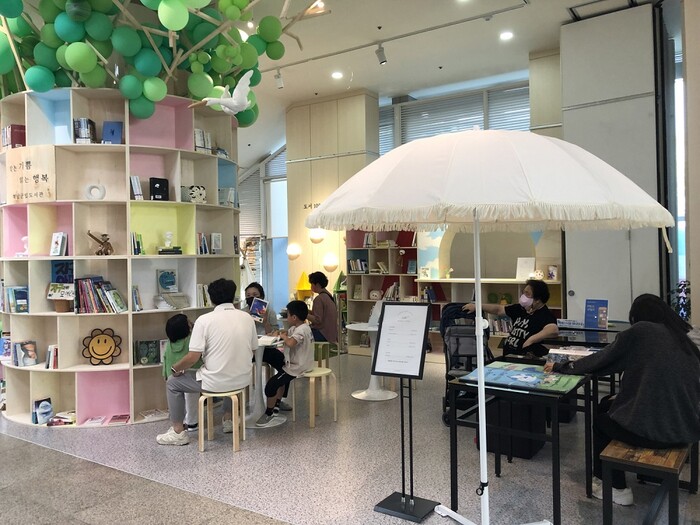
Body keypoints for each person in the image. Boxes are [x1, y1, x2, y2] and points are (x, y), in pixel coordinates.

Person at [545, 294, 700, 506]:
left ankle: (615, 487)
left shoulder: (641, 331)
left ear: (636, 317)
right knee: (606, 404)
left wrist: (562, 366)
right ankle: (619, 475)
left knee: (601, 423)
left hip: (662, 431)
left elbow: (601, 360)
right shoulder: (680, 336)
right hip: (686, 426)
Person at [156, 278, 259, 446]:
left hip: (215, 383)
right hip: (242, 380)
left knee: (173, 383)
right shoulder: (247, 318)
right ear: (233, 296)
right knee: (227, 373)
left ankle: (178, 432)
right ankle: (228, 419)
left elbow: (192, 357)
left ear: (211, 298)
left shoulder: (204, 320)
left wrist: (175, 368)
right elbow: (253, 349)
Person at [462, 279, 558, 357]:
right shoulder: (520, 308)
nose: (523, 296)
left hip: (525, 357)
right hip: (509, 356)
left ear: (537, 300)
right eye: (523, 293)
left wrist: (531, 340)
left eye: (527, 294)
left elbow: (553, 330)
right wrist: (477, 306)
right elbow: (498, 310)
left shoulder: (544, 314)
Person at [256, 300, 315, 427]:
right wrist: (280, 333)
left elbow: (291, 343)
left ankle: (269, 414)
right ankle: (276, 405)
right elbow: (287, 333)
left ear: (294, 317)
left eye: (287, 315)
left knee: (271, 386)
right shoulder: (301, 327)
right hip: (298, 364)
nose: (286, 317)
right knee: (280, 377)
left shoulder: (301, 330)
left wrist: (284, 337)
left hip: (297, 367)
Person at [162, 314, 201, 433]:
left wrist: (165, 374)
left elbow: (165, 359)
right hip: (191, 375)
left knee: (176, 399)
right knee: (191, 398)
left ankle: (180, 422)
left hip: (173, 376)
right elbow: (196, 359)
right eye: (188, 322)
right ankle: (192, 422)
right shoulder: (191, 340)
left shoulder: (169, 343)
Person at [307, 271, 338, 344]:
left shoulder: (319, 299)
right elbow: (321, 314)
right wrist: (307, 311)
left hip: (323, 334)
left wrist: (303, 314)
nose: (311, 287)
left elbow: (318, 320)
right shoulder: (329, 296)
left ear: (317, 284)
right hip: (332, 334)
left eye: (311, 284)